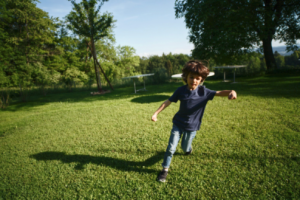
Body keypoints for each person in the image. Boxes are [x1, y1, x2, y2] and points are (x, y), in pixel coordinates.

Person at [151, 60, 237, 182]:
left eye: (198, 78)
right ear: (186, 77)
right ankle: (164, 170)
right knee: (171, 148)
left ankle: (188, 149)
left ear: (201, 80)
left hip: (192, 126)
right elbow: (168, 101)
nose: (194, 80)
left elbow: (219, 92)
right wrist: (156, 113)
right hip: (178, 123)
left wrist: (231, 91)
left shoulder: (204, 92)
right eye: (191, 77)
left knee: (185, 148)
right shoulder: (180, 90)